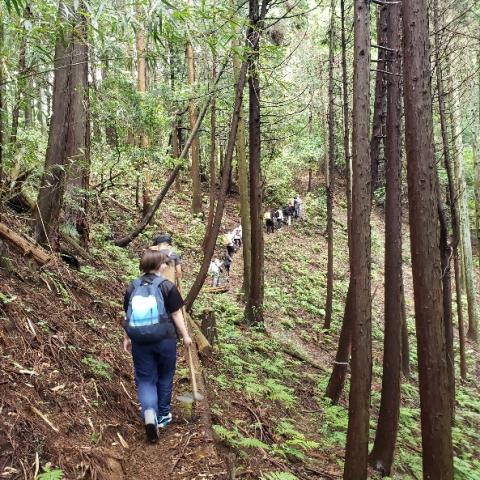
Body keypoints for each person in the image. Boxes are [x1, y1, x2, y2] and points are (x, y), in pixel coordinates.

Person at [122, 249, 192, 443]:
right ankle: (162, 415)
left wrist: (126, 338)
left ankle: (149, 412)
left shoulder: (133, 286)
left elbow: (128, 315)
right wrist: (185, 336)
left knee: (145, 379)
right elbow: (177, 314)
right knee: (165, 375)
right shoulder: (166, 286)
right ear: (157, 265)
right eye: (164, 263)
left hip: (140, 341)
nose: (165, 266)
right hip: (165, 339)